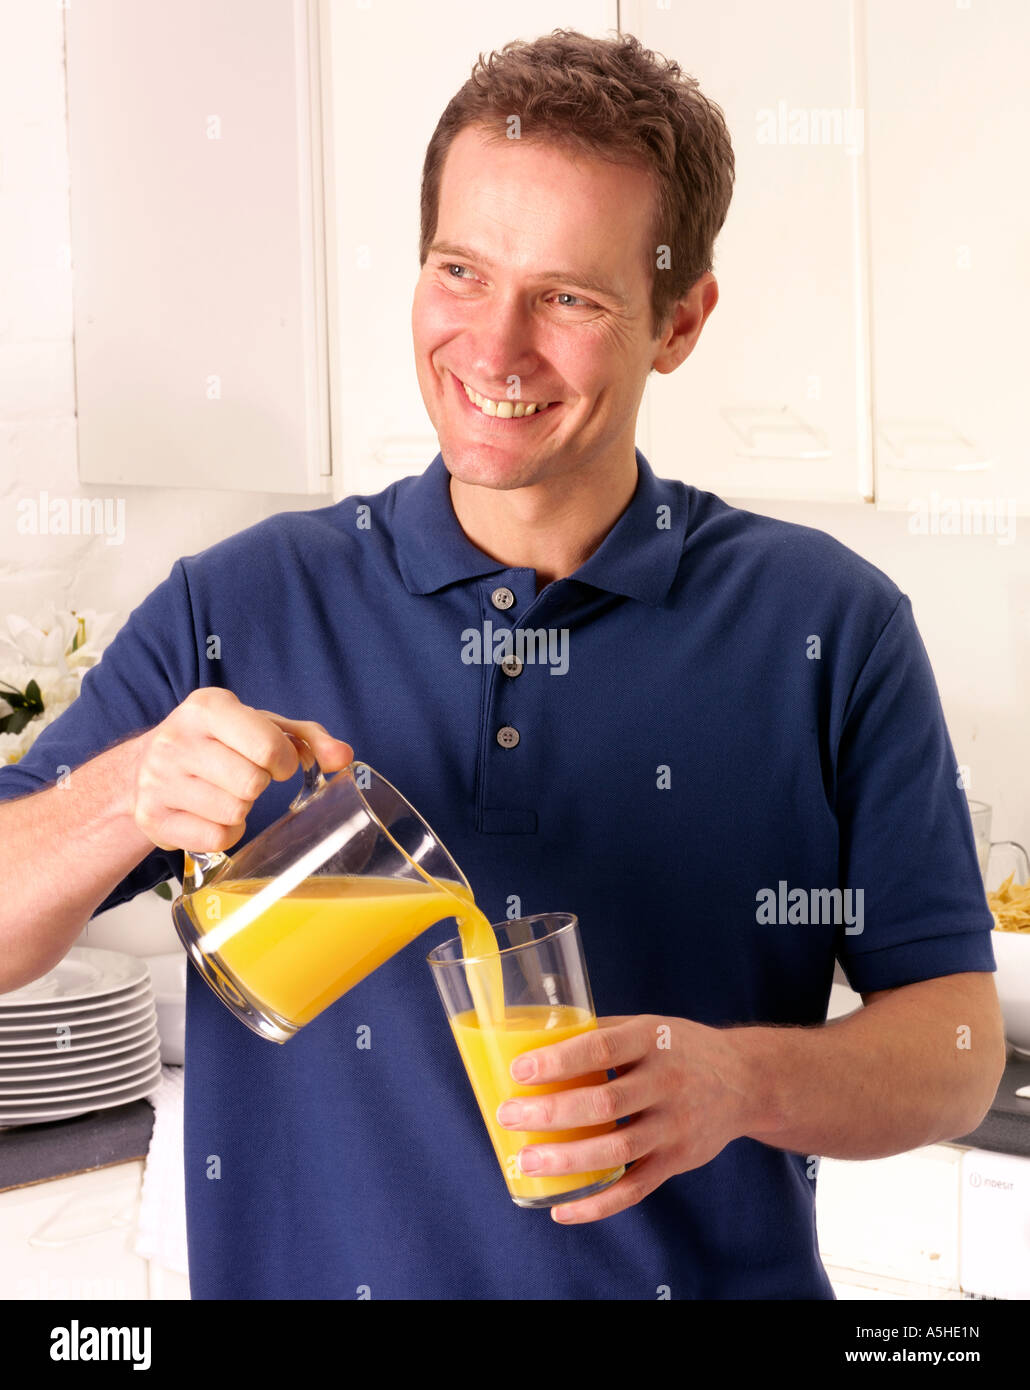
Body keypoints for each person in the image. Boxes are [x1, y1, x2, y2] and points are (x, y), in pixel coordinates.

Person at [0, 29, 1004, 1300]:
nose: (495, 346)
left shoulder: (828, 625)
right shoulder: (242, 602)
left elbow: (962, 1042)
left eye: (570, 297)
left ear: (679, 319)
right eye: (460, 270)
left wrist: (741, 1083)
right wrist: (123, 786)